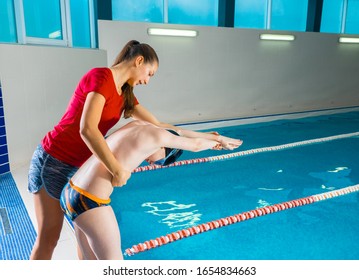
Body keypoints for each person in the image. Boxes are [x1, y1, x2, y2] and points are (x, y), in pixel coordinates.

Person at [28, 40, 243, 260]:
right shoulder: (101, 77)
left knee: (83, 237)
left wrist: (212, 137)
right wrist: (117, 169)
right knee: (49, 237)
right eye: (149, 73)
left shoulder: (125, 94)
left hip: (80, 165)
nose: (147, 81)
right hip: (54, 159)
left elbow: (163, 128)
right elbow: (88, 129)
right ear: (139, 60)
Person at [60, 120, 243, 260]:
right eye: (162, 160)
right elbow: (194, 145)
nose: (153, 162)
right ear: (164, 147)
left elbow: (178, 131)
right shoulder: (157, 138)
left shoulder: (139, 125)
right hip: (90, 201)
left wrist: (212, 137)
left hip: (69, 192)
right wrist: (220, 142)